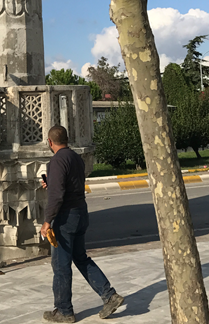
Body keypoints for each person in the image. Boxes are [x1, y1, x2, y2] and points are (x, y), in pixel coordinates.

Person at [41, 125, 124, 322]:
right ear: (67, 140)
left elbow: (57, 195)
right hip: (80, 212)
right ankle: (109, 296)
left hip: (65, 218)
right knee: (81, 258)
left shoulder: (57, 161)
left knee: (61, 265)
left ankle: (64, 311)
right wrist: (50, 183)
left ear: (50, 142)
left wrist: (47, 221)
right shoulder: (75, 158)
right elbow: (67, 185)